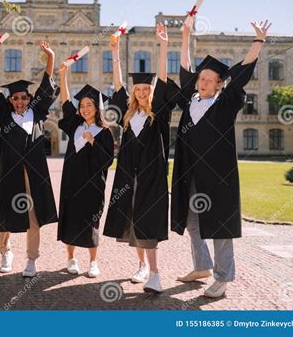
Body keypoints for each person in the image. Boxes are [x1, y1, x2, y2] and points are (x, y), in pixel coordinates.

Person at [171, 20, 271, 297]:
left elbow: (241, 76)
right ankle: (201, 266)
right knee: (192, 222)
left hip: (217, 177)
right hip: (189, 173)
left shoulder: (225, 104)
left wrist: (258, 43)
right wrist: (185, 34)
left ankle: (223, 278)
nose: (202, 82)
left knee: (219, 226)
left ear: (218, 84)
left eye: (208, 80)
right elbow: (184, 68)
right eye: (200, 78)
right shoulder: (190, 102)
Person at [103, 24, 179, 292]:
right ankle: (142, 266)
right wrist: (114, 51)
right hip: (128, 176)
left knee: (149, 222)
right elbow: (117, 83)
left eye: (146, 89)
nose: (142, 93)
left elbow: (162, 78)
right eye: (139, 90)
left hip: (152, 177)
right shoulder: (128, 115)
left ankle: (156, 273)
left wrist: (163, 45)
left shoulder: (157, 113)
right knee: (131, 219)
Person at [0, 42, 59, 277]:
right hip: (10, 174)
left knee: (33, 217)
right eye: (15, 98)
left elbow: (46, 87)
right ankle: (4, 250)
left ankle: (31, 260)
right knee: (6, 214)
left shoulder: (37, 113)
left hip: (35, 175)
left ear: (29, 98)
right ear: (11, 99)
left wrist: (51, 58)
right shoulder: (4, 116)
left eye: (24, 97)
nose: (20, 101)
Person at [57, 63, 114, 278]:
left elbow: (108, 159)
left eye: (89, 105)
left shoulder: (105, 132)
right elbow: (65, 102)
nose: (85, 109)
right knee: (70, 218)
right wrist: (63, 76)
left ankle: (93, 262)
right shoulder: (75, 125)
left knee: (91, 221)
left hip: (93, 184)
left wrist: (92, 142)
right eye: (82, 105)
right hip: (71, 181)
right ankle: (71, 258)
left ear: (97, 108)